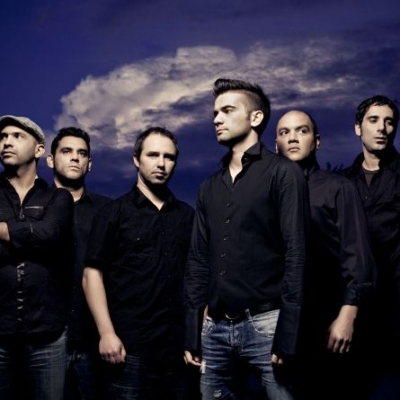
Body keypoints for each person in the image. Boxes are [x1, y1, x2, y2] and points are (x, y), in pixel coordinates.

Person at [183, 78, 310, 400]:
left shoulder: (284, 173)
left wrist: (289, 333)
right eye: (215, 113)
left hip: (267, 325)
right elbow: (198, 261)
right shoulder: (208, 188)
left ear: (255, 117)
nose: (217, 119)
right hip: (214, 330)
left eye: (227, 110)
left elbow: (297, 253)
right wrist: (193, 331)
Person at [82, 127, 197, 399]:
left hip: (177, 349)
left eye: (169, 157)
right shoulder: (113, 213)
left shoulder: (187, 216)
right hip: (129, 348)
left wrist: (195, 338)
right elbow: (91, 276)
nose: (161, 163)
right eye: (153, 155)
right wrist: (106, 333)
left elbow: (197, 278)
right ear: (136, 159)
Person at [275, 110, 375, 399]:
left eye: (302, 131)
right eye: (284, 132)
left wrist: (347, 315)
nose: (293, 138)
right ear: (276, 145)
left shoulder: (338, 188)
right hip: (279, 326)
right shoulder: (268, 194)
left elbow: (358, 255)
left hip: (326, 322)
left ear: (317, 141)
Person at [0, 115, 73, 399]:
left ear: (39, 149)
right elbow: (42, 238)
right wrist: (34, 239)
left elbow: (52, 234)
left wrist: (4, 231)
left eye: (17, 136)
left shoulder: (59, 198)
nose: (7, 142)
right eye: (3, 137)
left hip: (48, 336)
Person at [46, 127, 111, 400]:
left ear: (89, 163)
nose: (75, 158)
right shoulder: (34, 208)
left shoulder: (107, 211)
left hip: (93, 340)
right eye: (67, 151)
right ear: (51, 160)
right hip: (44, 341)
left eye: (82, 153)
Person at [344, 95, 400, 399]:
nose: (382, 128)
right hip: (354, 314)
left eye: (389, 122)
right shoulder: (343, 183)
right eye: (374, 120)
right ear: (358, 127)